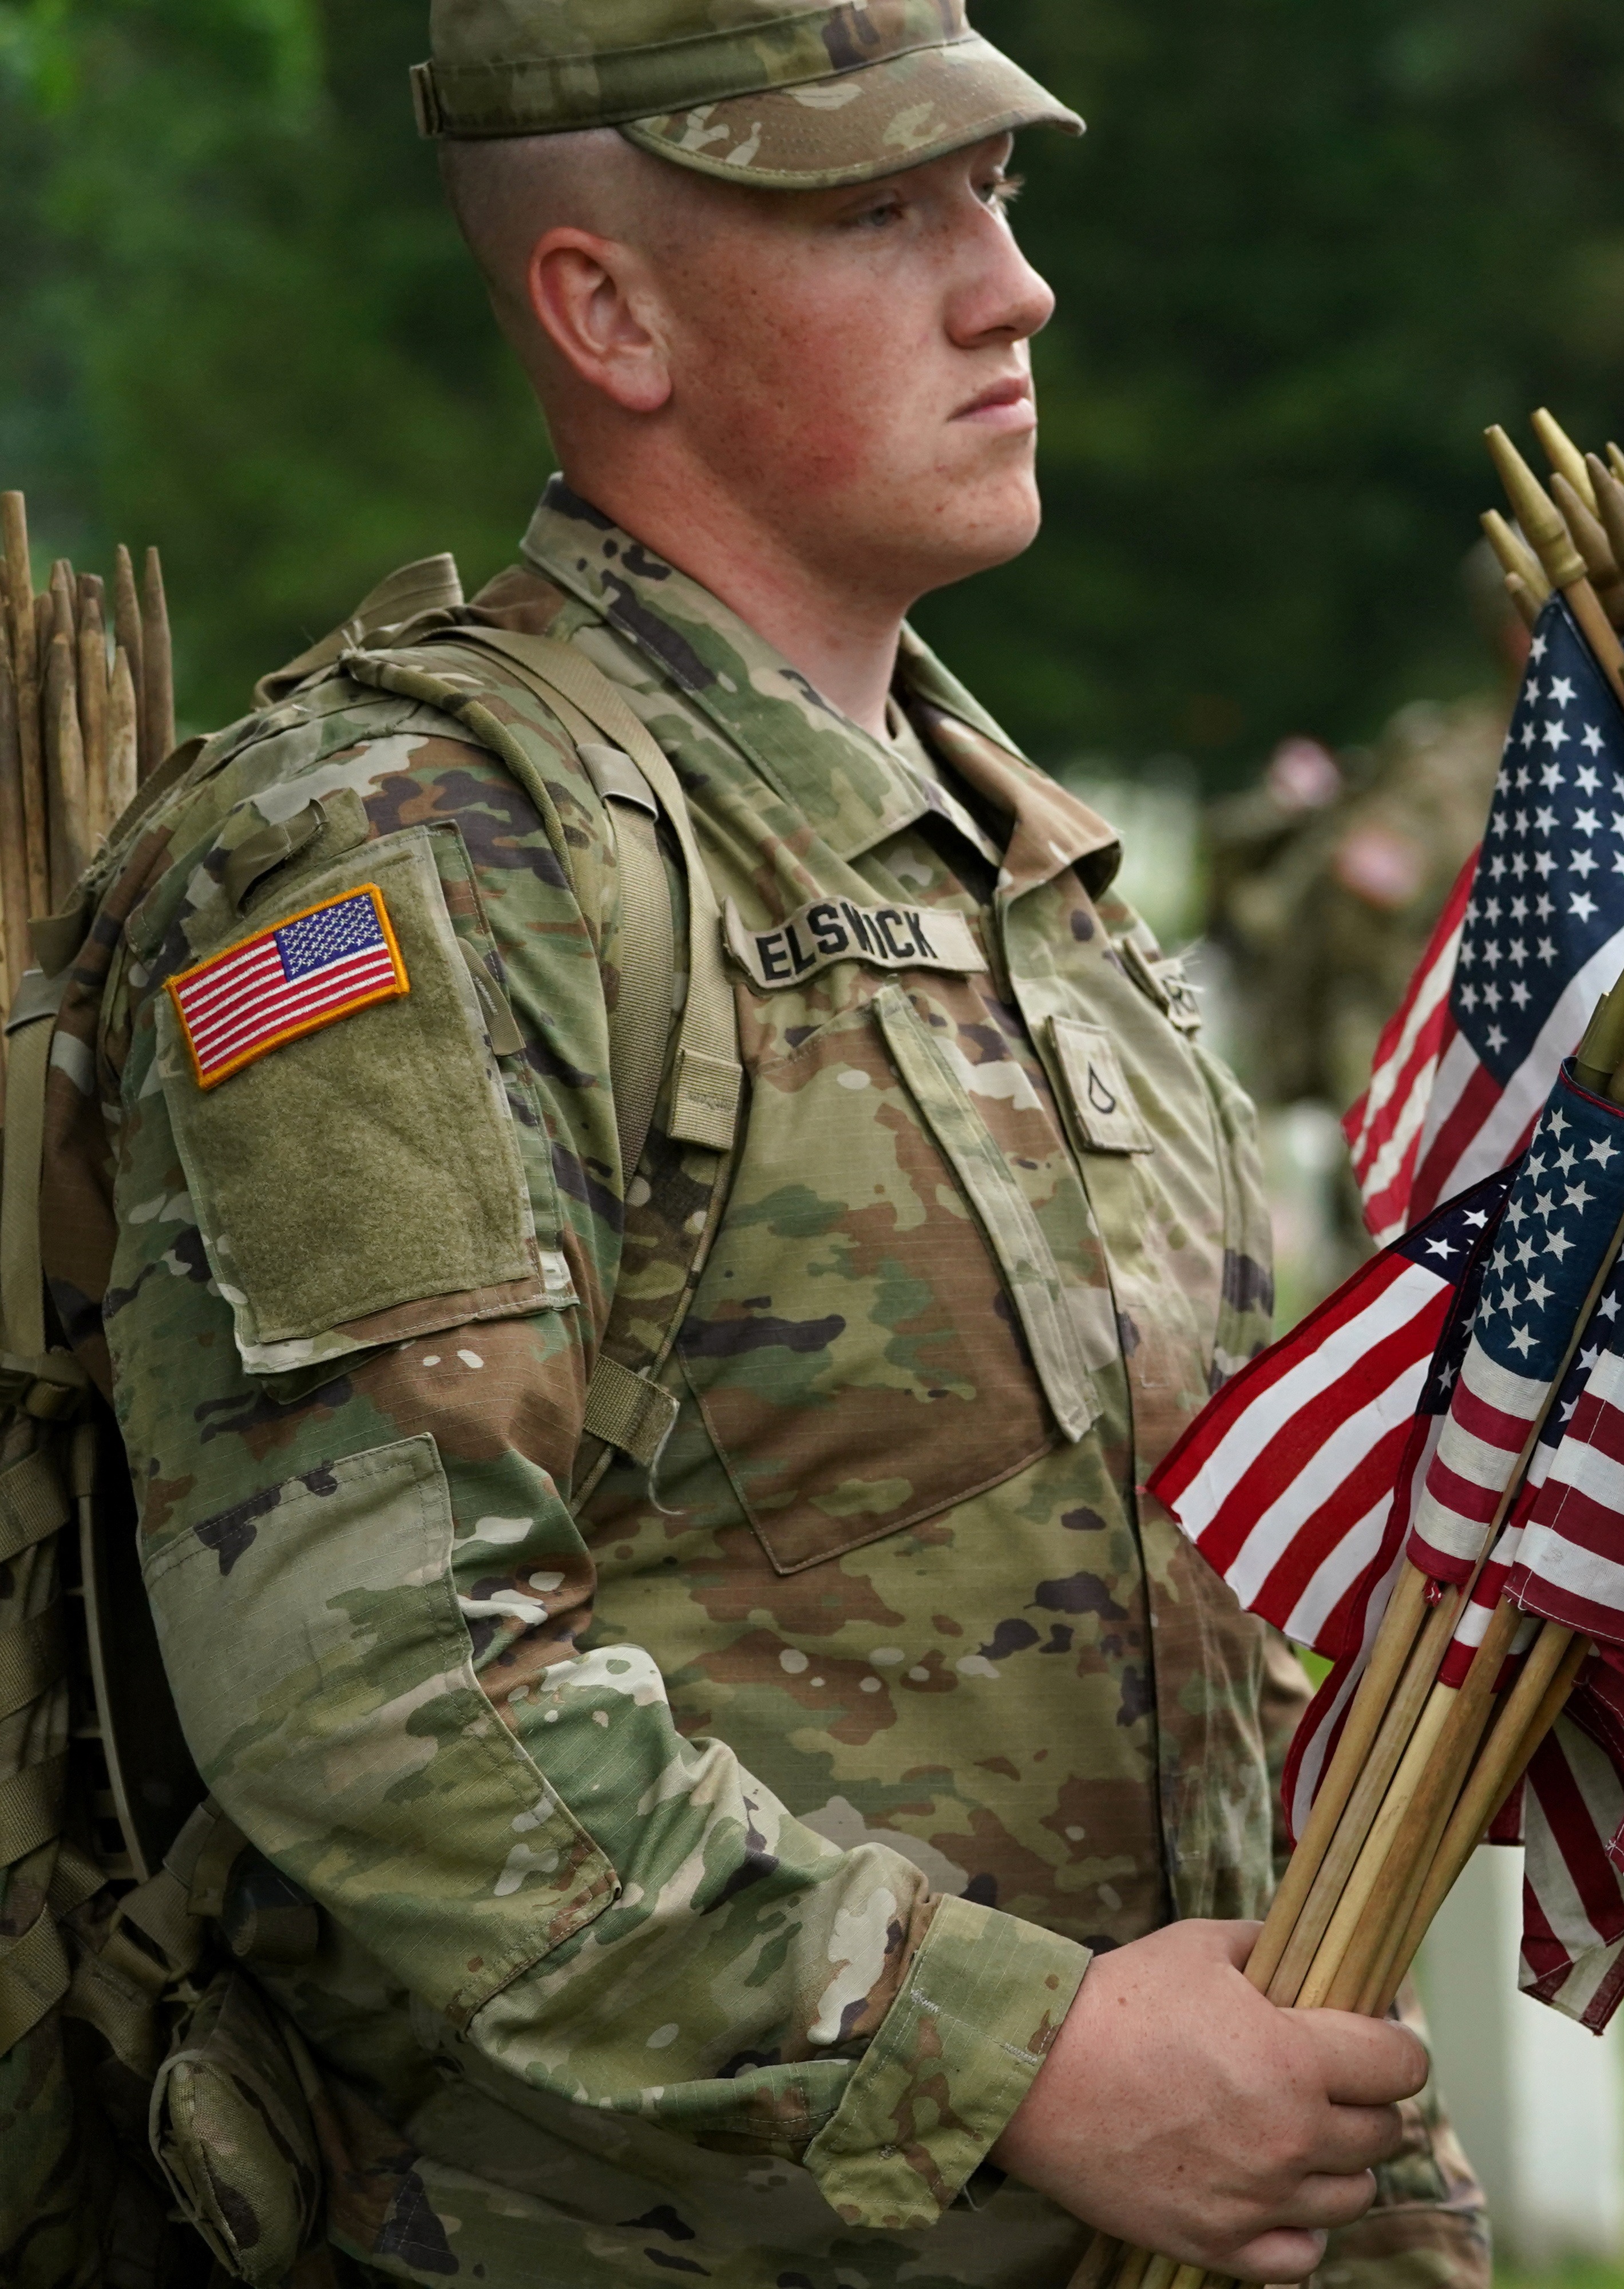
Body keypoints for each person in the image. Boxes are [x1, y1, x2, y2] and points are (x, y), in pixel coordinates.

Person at [26, 3, 1486, 2281]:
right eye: (880, 209)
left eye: (992, 191)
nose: (1011, 287)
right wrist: (1023, 2061)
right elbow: (384, 1697)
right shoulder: (410, 861)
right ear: (605, 311)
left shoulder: (1005, 863)